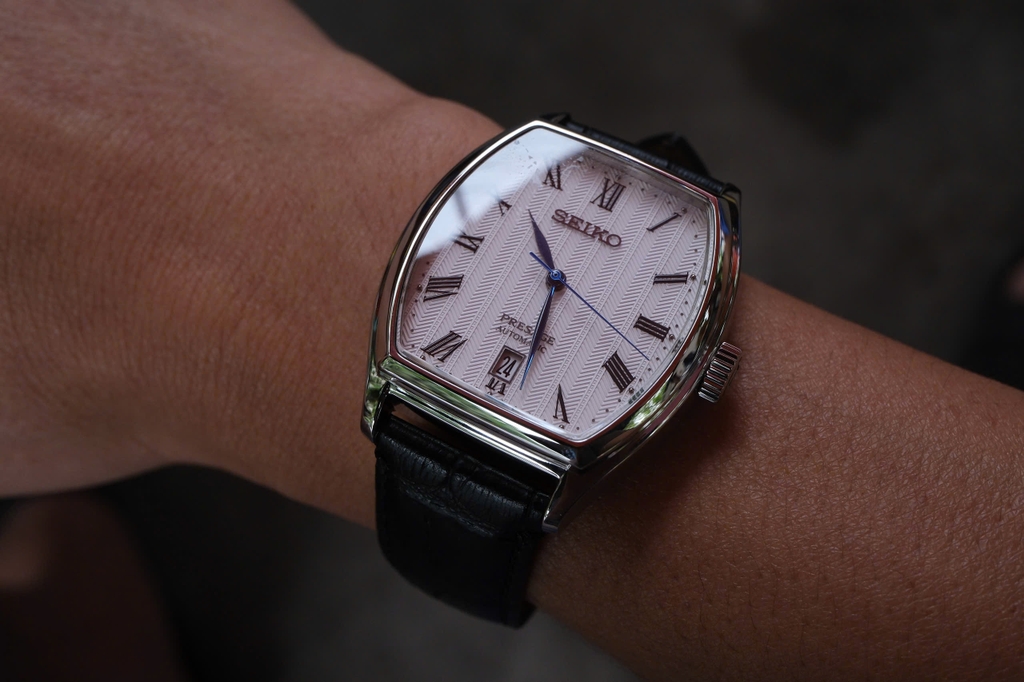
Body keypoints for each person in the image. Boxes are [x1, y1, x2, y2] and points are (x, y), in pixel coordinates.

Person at [1, 1, 1022, 679]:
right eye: (552, 265)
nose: (557, 279)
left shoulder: (668, 384)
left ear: (704, 374)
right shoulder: (427, 333)